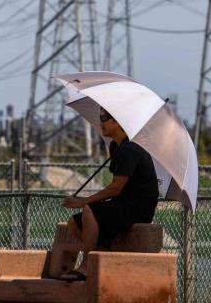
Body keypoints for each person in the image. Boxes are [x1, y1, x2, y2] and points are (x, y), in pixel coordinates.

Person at [60, 106, 159, 281]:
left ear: (119, 122)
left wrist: (83, 202)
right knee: (74, 223)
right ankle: (101, 257)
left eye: (105, 118)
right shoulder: (117, 147)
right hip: (121, 203)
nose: (101, 123)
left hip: (137, 208)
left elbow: (115, 188)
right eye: (101, 118)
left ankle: (87, 267)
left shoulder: (130, 150)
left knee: (89, 210)